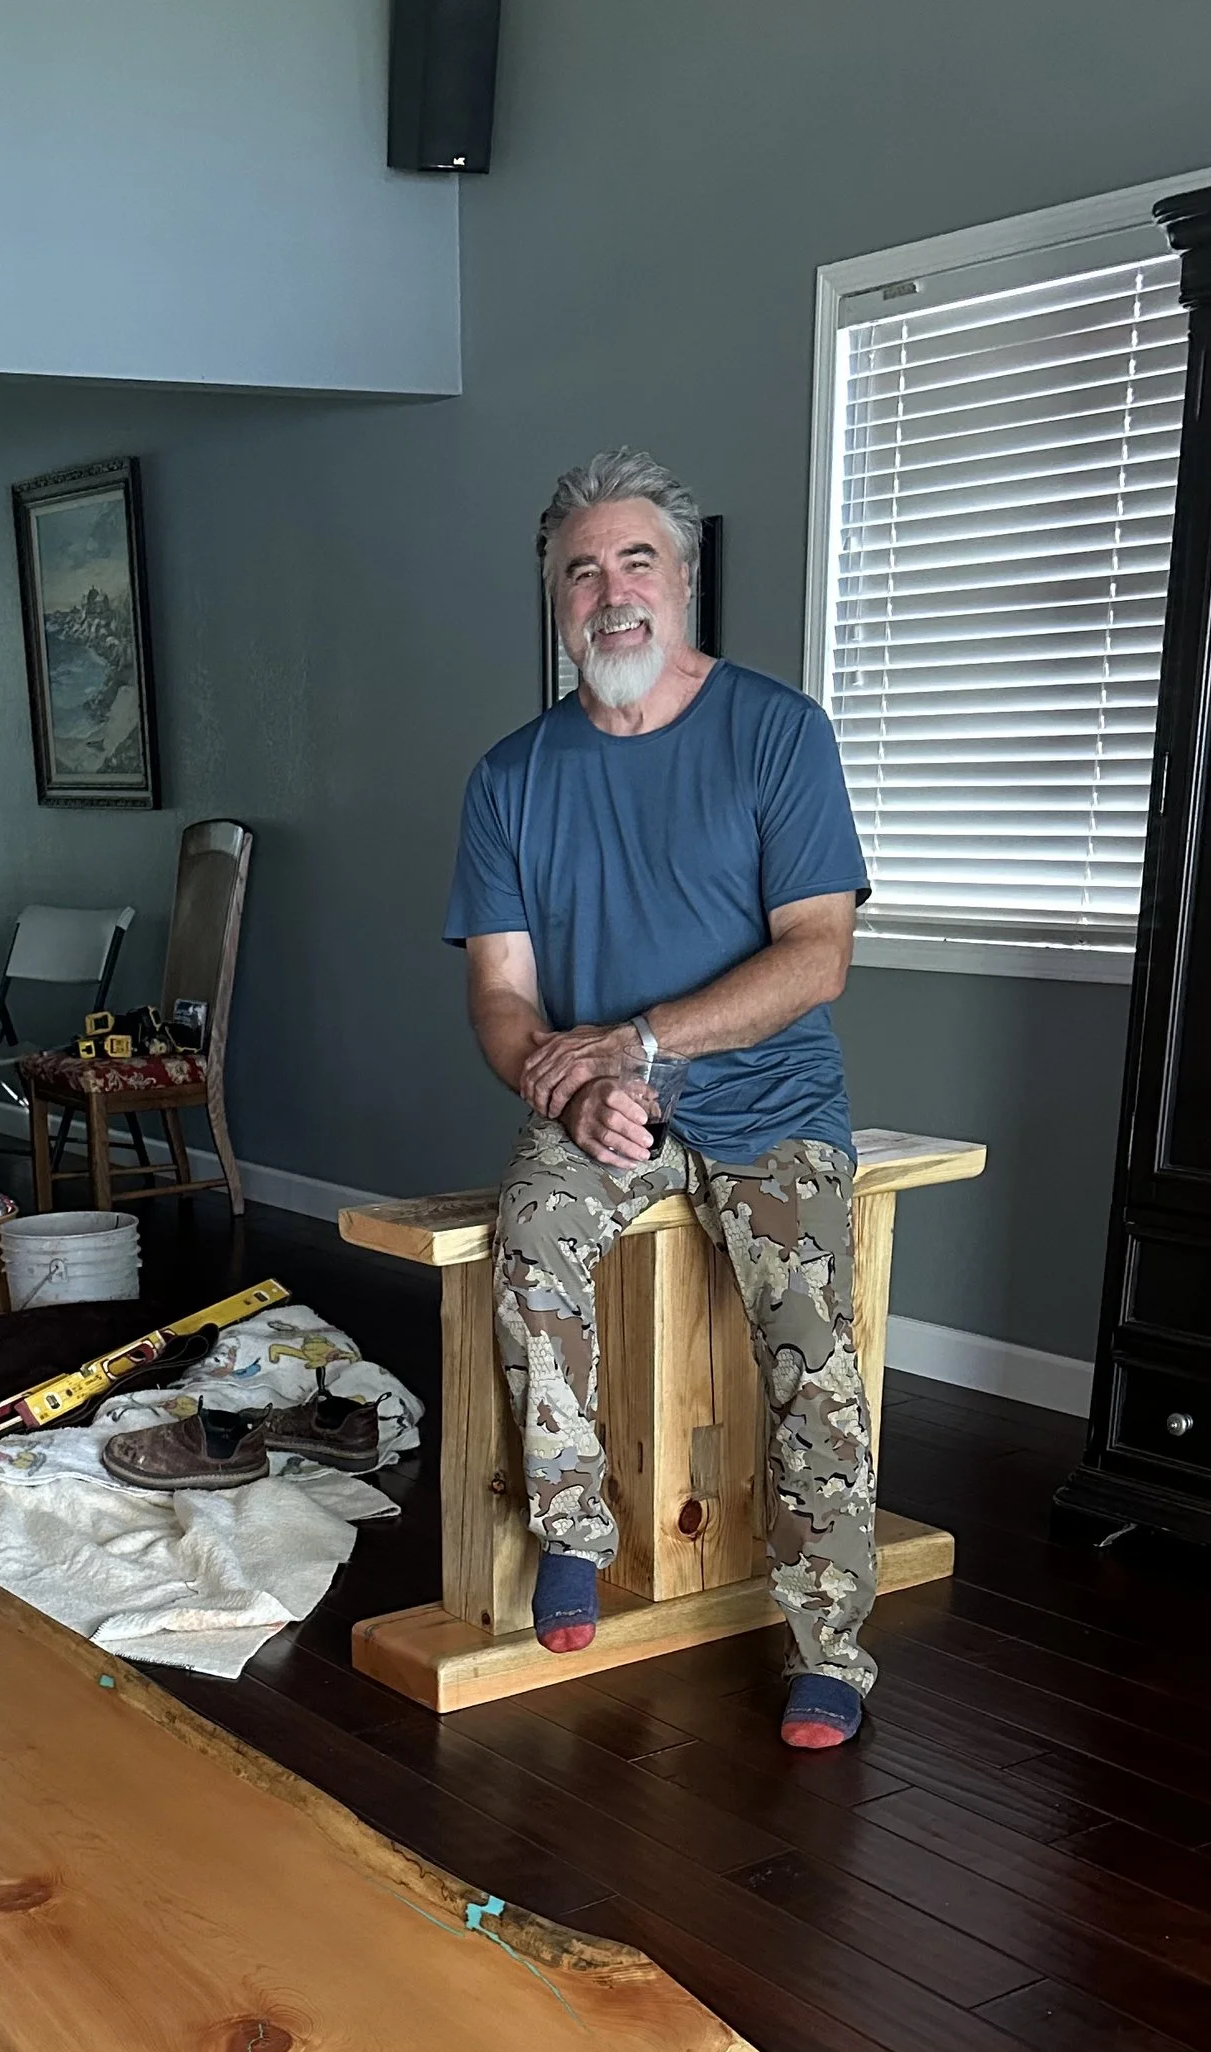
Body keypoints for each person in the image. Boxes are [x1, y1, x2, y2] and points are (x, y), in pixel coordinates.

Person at [445, 448, 878, 1749]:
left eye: (637, 561)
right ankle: (576, 1528)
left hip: (771, 1105)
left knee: (813, 1357)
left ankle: (832, 1649)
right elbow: (502, 1000)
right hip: (602, 1107)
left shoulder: (777, 732)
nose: (610, 590)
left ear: (684, 581)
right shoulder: (510, 778)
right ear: (555, 601)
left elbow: (820, 955)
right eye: (582, 570)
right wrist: (562, 1089)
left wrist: (636, 1045)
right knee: (529, 1231)